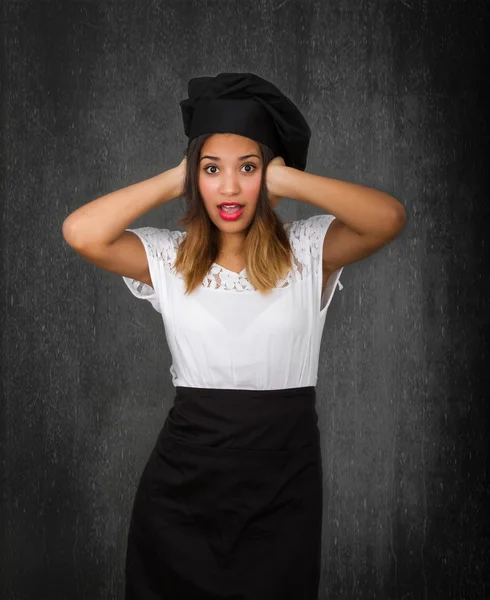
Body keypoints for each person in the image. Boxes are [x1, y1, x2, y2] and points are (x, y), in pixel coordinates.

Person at [62, 72, 406, 600]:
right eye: (211, 170)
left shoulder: (307, 250)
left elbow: (388, 218)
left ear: (267, 175)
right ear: (193, 178)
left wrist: (288, 181)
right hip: (183, 486)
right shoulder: (169, 258)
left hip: (284, 481)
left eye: (247, 169)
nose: (228, 188)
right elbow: (81, 232)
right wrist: (173, 178)